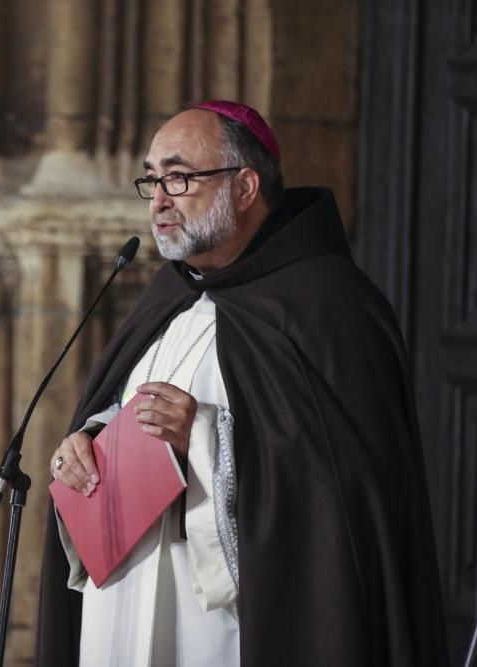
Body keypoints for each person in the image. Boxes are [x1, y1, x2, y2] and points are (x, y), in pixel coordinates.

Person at [35, 101, 449, 666]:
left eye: (178, 178)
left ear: (246, 186)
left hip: (227, 626)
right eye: (151, 179)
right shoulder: (170, 298)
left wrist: (205, 441)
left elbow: (353, 495)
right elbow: (123, 412)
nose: (158, 200)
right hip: (124, 603)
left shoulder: (330, 305)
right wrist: (87, 443)